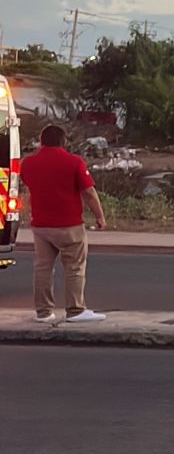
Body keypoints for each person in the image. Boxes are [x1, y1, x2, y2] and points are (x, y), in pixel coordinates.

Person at [19, 124, 108, 324]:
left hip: (41, 225)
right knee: (74, 267)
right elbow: (89, 192)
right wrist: (100, 217)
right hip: (69, 225)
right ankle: (75, 310)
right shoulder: (74, 162)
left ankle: (43, 312)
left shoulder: (28, 163)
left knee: (42, 268)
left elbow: (28, 183)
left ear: (41, 141)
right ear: (64, 141)